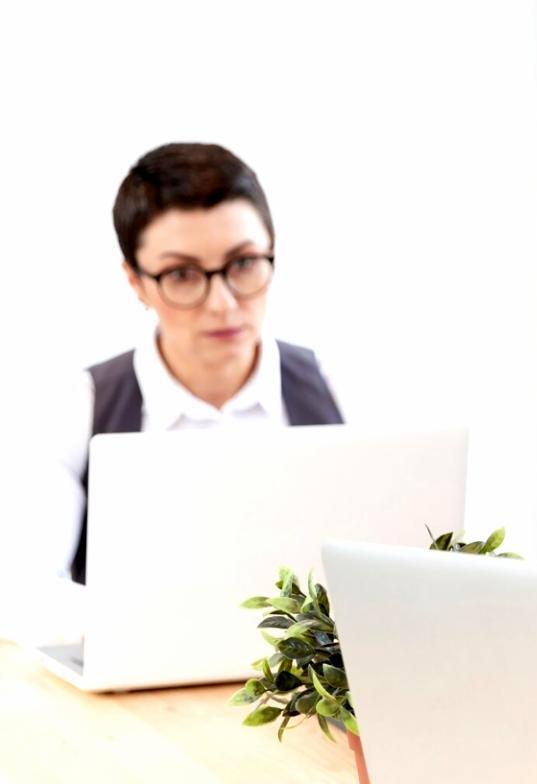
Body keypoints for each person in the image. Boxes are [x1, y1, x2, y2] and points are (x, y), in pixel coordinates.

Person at [0, 143, 341, 641]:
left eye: (244, 263)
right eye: (182, 274)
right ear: (136, 283)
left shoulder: (338, 386)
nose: (223, 304)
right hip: (136, 703)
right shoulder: (80, 404)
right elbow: (20, 586)